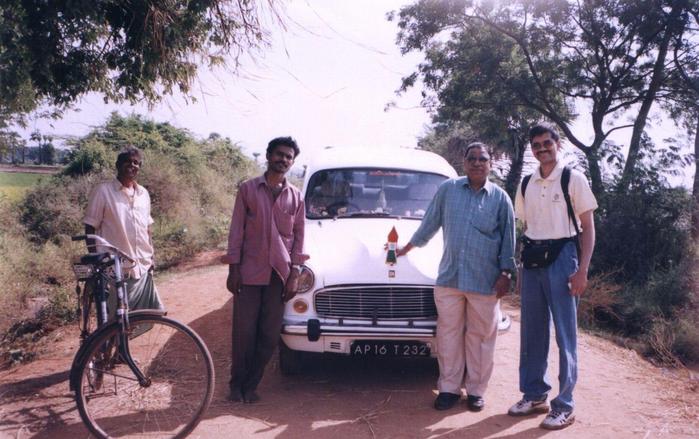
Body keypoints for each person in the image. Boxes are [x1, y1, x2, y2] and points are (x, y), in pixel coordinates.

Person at [397, 142, 516, 412]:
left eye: (482, 159)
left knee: (481, 338)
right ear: (464, 162)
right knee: (448, 336)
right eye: (471, 158)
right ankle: (449, 389)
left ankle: (476, 391)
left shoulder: (500, 198)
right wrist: (405, 249)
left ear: (490, 163)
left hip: (485, 282)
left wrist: (506, 273)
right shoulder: (448, 190)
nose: (476, 163)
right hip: (449, 279)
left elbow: (509, 241)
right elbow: (429, 224)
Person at [507, 124, 598, 430]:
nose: (542, 148)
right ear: (531, 149)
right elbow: (527, 227)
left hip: (564, 259)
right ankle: (534, 394)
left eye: (547, 143)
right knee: (532, 331)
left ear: (558, 144)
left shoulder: (573, 178)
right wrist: (520, 268)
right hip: (533, 260)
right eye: (536, 145)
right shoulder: (526, 183)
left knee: (565, 334)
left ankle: (565, 404)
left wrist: (582, 270)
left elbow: (588, 227)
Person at [223, 136, 307, 403]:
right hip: (249, 272)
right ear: (269, 156)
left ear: (292, 162)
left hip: (279, 276)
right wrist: (233, 269)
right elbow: (236, 231)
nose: (283, 159)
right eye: (279, 154)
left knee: (270, 335)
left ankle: (252, 384)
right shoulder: (248, 190)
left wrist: (294, 274)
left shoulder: (296, 197)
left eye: (289, 157)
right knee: (244, 333)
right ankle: (236, 385)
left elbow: (299, 237)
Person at [83, 146, 164, 316]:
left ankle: (124, 342)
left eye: (136, 163)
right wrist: (95, 260)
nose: (132, 165)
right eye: (127, 161)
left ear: (139, 167)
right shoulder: (103, 191)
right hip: (115, 269)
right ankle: (109, 342)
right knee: (115, 320)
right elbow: (90, 227)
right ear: (117, 165)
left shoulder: (144, 194)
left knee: (142, 317)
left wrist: (152, 256)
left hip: (142, 265)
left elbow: (147, 228)